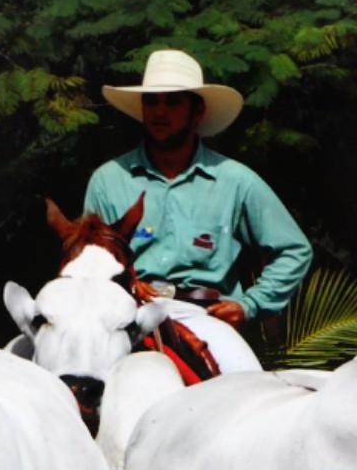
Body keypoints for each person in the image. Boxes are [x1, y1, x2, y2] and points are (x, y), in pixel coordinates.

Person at [80, 49, 313, 361]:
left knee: (243, 396)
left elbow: (295, 249)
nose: (160, 111)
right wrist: (130, 283)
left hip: (208, 320)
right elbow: (89, 264)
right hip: (128, 320)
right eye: (152, 101)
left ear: (198, 111)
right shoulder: (108, 181)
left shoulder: (236, 181)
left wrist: (250, 304)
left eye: (173, 101)